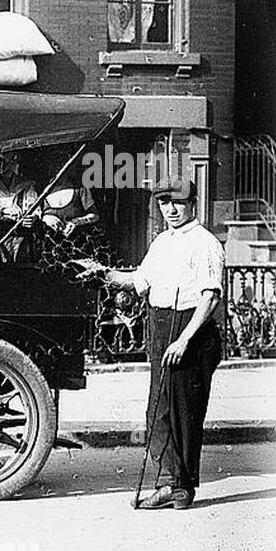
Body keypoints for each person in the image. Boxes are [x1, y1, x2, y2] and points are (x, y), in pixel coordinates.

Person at [77, 182, 224, 509]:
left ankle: (182, 487)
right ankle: (169, 483)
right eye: (164, 203)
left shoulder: (205, 243)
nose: (171, 210)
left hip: (191, 333)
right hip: (161, 327)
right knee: (158, 411)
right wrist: (100, 271)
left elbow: (210, 297)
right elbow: (138, 281)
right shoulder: (161, 242)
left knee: (184, 412)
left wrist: (184, 340)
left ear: (194, 203)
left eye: (178, 203)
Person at [0, 160, 38, 262]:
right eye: (2, 163)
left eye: (9, 163)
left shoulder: (26, 185)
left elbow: (35, 208)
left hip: (20, 237)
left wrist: (32, 218)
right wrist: (2, 211)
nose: (5, 168)